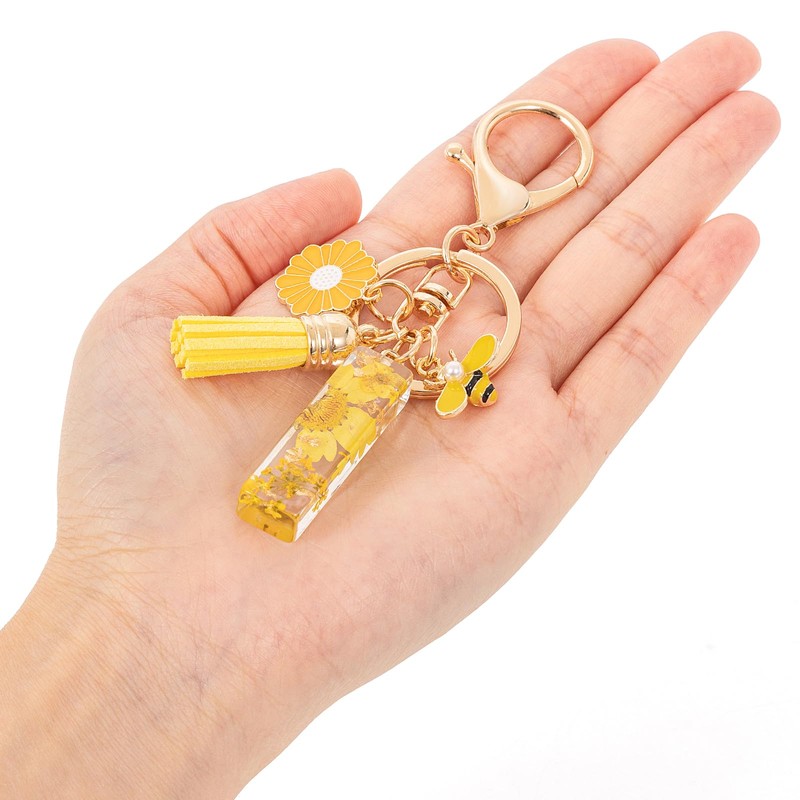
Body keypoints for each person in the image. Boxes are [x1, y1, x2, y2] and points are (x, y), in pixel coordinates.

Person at [0, 32, 779, 798]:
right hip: (352, 393)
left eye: (439, 300)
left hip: (380, 383)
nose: (432, 303)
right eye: (427, 297)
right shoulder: (383, 341)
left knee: (331, 446)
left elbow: (460, 361)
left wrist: (464, 374)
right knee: (304, 463)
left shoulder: (404, 362)